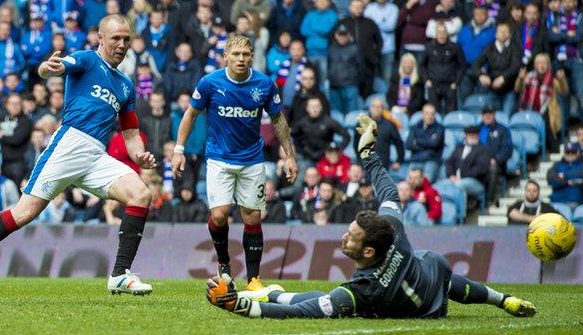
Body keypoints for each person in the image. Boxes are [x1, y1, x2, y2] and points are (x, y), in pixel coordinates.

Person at [205, 113, 536, 319]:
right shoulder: (390, 230)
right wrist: (368, 156)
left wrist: (241, 307)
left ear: (368, 253)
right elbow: (389, 193)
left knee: (326, 301)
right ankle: (503, 300)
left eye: (351, 237)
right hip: (429, 276)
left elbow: (302, 312)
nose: (343, 237)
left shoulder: (364, 290)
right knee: (438, 268)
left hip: (417, 306)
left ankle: (266, 294)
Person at [0, 15, 156, 296]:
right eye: (115, 38)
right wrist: (47, 68)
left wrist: (140, 156)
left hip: (95, 155)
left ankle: (119, 275)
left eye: (126, 39)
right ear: (101, 38)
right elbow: (55, 68)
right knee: (24, 213)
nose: (122, 44)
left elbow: (131, 132)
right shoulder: (87, 59)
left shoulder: (125, 84)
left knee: (141, 194)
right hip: (69, 145)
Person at [172, 35, 298, 291]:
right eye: (236, 54)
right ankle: (224, 263)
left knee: (252, 217)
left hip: (252, 160)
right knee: (219, 216)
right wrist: (178, 149)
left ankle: (253, 279)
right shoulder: (210, 83)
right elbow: (191, 115)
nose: (241, 59)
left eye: (246, 54)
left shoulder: (264, 84)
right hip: (219, 159)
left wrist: (290, 155)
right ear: (226, 56)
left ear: (252, 56)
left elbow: (278, 121)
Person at [547, 142, 583, 209]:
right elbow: (551, 181)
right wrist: (568, 181)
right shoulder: (556, 165)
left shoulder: (581, 166)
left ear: (577, 153)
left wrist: (563, 176)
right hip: (558, 202)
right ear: (564, 153)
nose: (570, 154)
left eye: (573, 152)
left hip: (578, 203)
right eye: (568, 152)